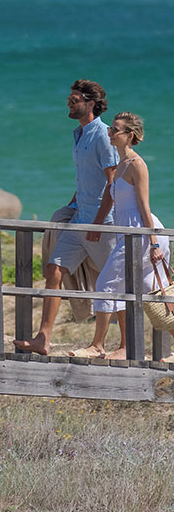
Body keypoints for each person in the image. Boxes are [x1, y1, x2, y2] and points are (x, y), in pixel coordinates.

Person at [13, 80, 118, 356]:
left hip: (102, 224)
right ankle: (43, 339)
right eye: (69, 100)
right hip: (78, 220)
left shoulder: (105, 136)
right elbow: (88, 176)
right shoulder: (80, 134)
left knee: (119, 285)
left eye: (74, 99)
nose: (69, 104)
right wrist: (74, 201)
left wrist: (98, 222)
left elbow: (113, 183)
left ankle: (125, 345)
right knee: (53, 270)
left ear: (90, 104)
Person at [72, 112, 169, 359]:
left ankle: (97, 346)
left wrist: (154, 243)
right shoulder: (121, 163)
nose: (110, 133)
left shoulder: (137, 165)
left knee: (106, 283)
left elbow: (144, 208)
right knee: (153, 290)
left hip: (141, 234)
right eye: (110, 129)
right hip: (127, 233)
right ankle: (117, 348)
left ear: (130, 136)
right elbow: (110, 198)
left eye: (115, 130)